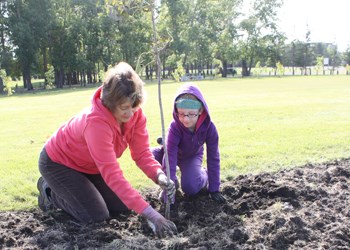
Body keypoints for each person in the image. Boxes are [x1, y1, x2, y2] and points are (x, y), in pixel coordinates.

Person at [37, 62, 177, 238]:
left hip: (90, 165)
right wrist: (153, 215)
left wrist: (159, 175)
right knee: (95, 215)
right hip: (59, 163)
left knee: (122, 206)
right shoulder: (96, 123)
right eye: (124, 108)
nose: (131, 113)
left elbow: (142, 154)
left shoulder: (136, 115)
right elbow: (112, 175)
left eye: (134, 106)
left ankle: (80, 187)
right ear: (111, 103)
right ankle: (49, 192)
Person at [152, 82, 226, 205]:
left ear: (201, 110)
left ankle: (203, 174)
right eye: (181, 114)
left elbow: (213, 157)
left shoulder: (209, 128)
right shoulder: (174, 127)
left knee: (190, 188)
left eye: (191, 114)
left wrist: (214, 189)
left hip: (191, 156)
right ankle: (173, 184)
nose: (185, 119)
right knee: (149, 157)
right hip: (170, 152)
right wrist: (169, 190)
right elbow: (169, 156)